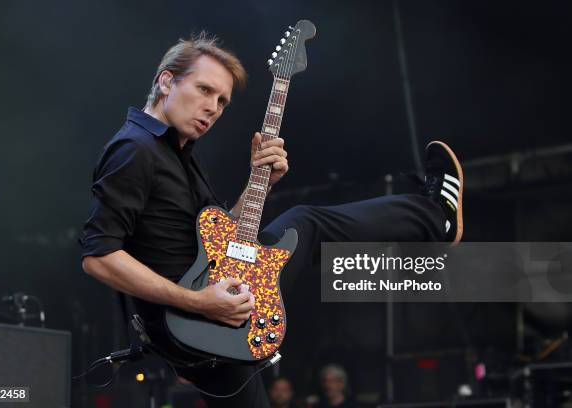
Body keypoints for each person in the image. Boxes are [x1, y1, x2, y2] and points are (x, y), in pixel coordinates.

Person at [79, 32, 463, 408]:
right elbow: (99, 256)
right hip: (196, 318)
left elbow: (221, 235)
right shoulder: (134, 149)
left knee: (301, 224)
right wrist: (198, 302)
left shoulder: (179, 153)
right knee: (305, 223)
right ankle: (434, 217)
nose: (214, 107)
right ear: (166, 82)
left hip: (217, 310)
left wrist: (260, 183)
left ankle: (434, 220)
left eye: (223, 100)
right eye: (204, 90)